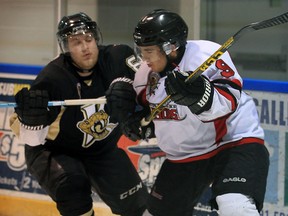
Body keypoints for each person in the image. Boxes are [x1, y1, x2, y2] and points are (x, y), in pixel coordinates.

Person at [105, 9, 270, 216]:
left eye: (149, 51)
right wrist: (136, 124)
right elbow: (151, 119)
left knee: (235, 207)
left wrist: (202, 96)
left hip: (233, 142)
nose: (143, 58)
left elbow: (230, 100)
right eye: (141, 51)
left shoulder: (205, 56)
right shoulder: (145, 77)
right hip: (186, 155)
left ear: (171, 47)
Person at [9, 12, 148, 216]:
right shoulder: (53, 78)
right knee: (73, 192)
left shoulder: (118, 59)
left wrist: (135, 105)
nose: (85, 47)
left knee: (136, 205)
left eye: (88, 39)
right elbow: (33, 139)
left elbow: (150, 93)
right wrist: (31, 120)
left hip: (102, 149)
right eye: (76, 42)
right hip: (57, 151)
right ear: (66, 47)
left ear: (96, 38)